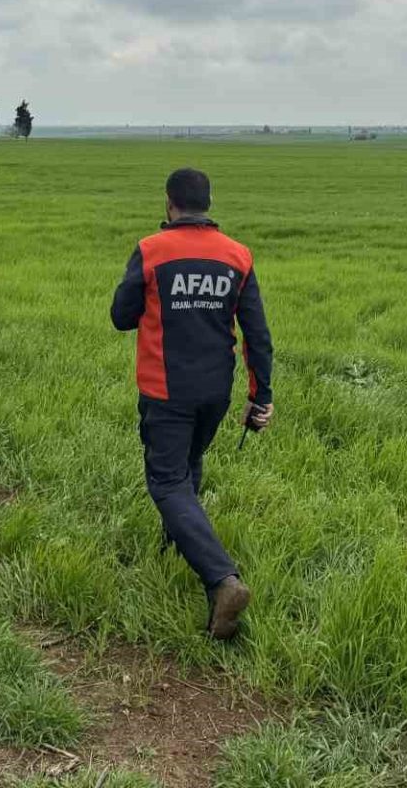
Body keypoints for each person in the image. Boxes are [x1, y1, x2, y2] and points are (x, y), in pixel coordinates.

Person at [110, 168, 274, 640]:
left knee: (166, 481)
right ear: (208, 204)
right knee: (189, 464)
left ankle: (222, 580)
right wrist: (260, 397)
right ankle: (176, 544)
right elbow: (257, 335)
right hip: (215, 391)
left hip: (166, 389)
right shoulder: (237, 255)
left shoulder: (152, 250)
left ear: (169, 203)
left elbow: (121, 317)